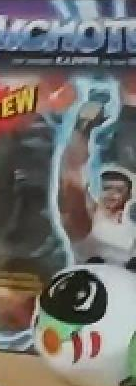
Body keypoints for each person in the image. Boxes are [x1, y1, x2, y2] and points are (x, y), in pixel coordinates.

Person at [61, 95, 136, 265]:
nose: (111, 194)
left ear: (128, 196)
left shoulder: (128, 228)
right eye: (107, 188)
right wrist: (83, 128)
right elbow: (71, 175)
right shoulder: (85, 222)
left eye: (118, 190)